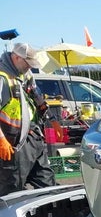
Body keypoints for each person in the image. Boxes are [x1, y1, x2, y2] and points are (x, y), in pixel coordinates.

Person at [0, 42, 59, 197]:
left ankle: (52, 216)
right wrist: (1, 140)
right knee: (12, 192)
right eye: (28, 63)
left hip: (34, 139)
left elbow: (37, 98)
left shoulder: (25, 75)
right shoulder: (2, 78)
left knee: (48, 186)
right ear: (16, 57)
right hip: (13, 146)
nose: (30, 67)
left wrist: (53, 121)